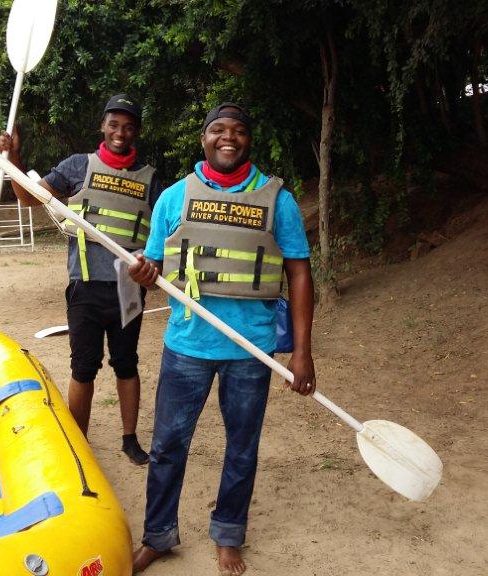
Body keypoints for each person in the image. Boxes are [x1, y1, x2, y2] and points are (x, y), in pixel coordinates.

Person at [127, 102, 316, 575]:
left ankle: (228, 535)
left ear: (248, 140)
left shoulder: (280, 201)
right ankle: (158, 535)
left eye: (237, 131)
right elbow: (153, 267)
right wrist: (145, 274)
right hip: (186, 345)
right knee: (168, 444)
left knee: (242, 448)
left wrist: (302, 352)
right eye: (217, 130)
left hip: (251, 351)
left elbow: (298, 274)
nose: (227, 137)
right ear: (204, 139)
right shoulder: (173, 197)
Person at [0, 94, 163, 465]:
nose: (121, 132)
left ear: (136, 132)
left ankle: (130, 439)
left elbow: (161, 236)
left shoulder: (150, 179)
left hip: (127, 288)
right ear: (103, 127)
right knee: (83, 367)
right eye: (114, 124)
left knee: (127, 363)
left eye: (129, 126)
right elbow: (29, 199)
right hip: (85, 286)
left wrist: (155, 268)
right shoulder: (77, 167)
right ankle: (78, 443)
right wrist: (13, 161)